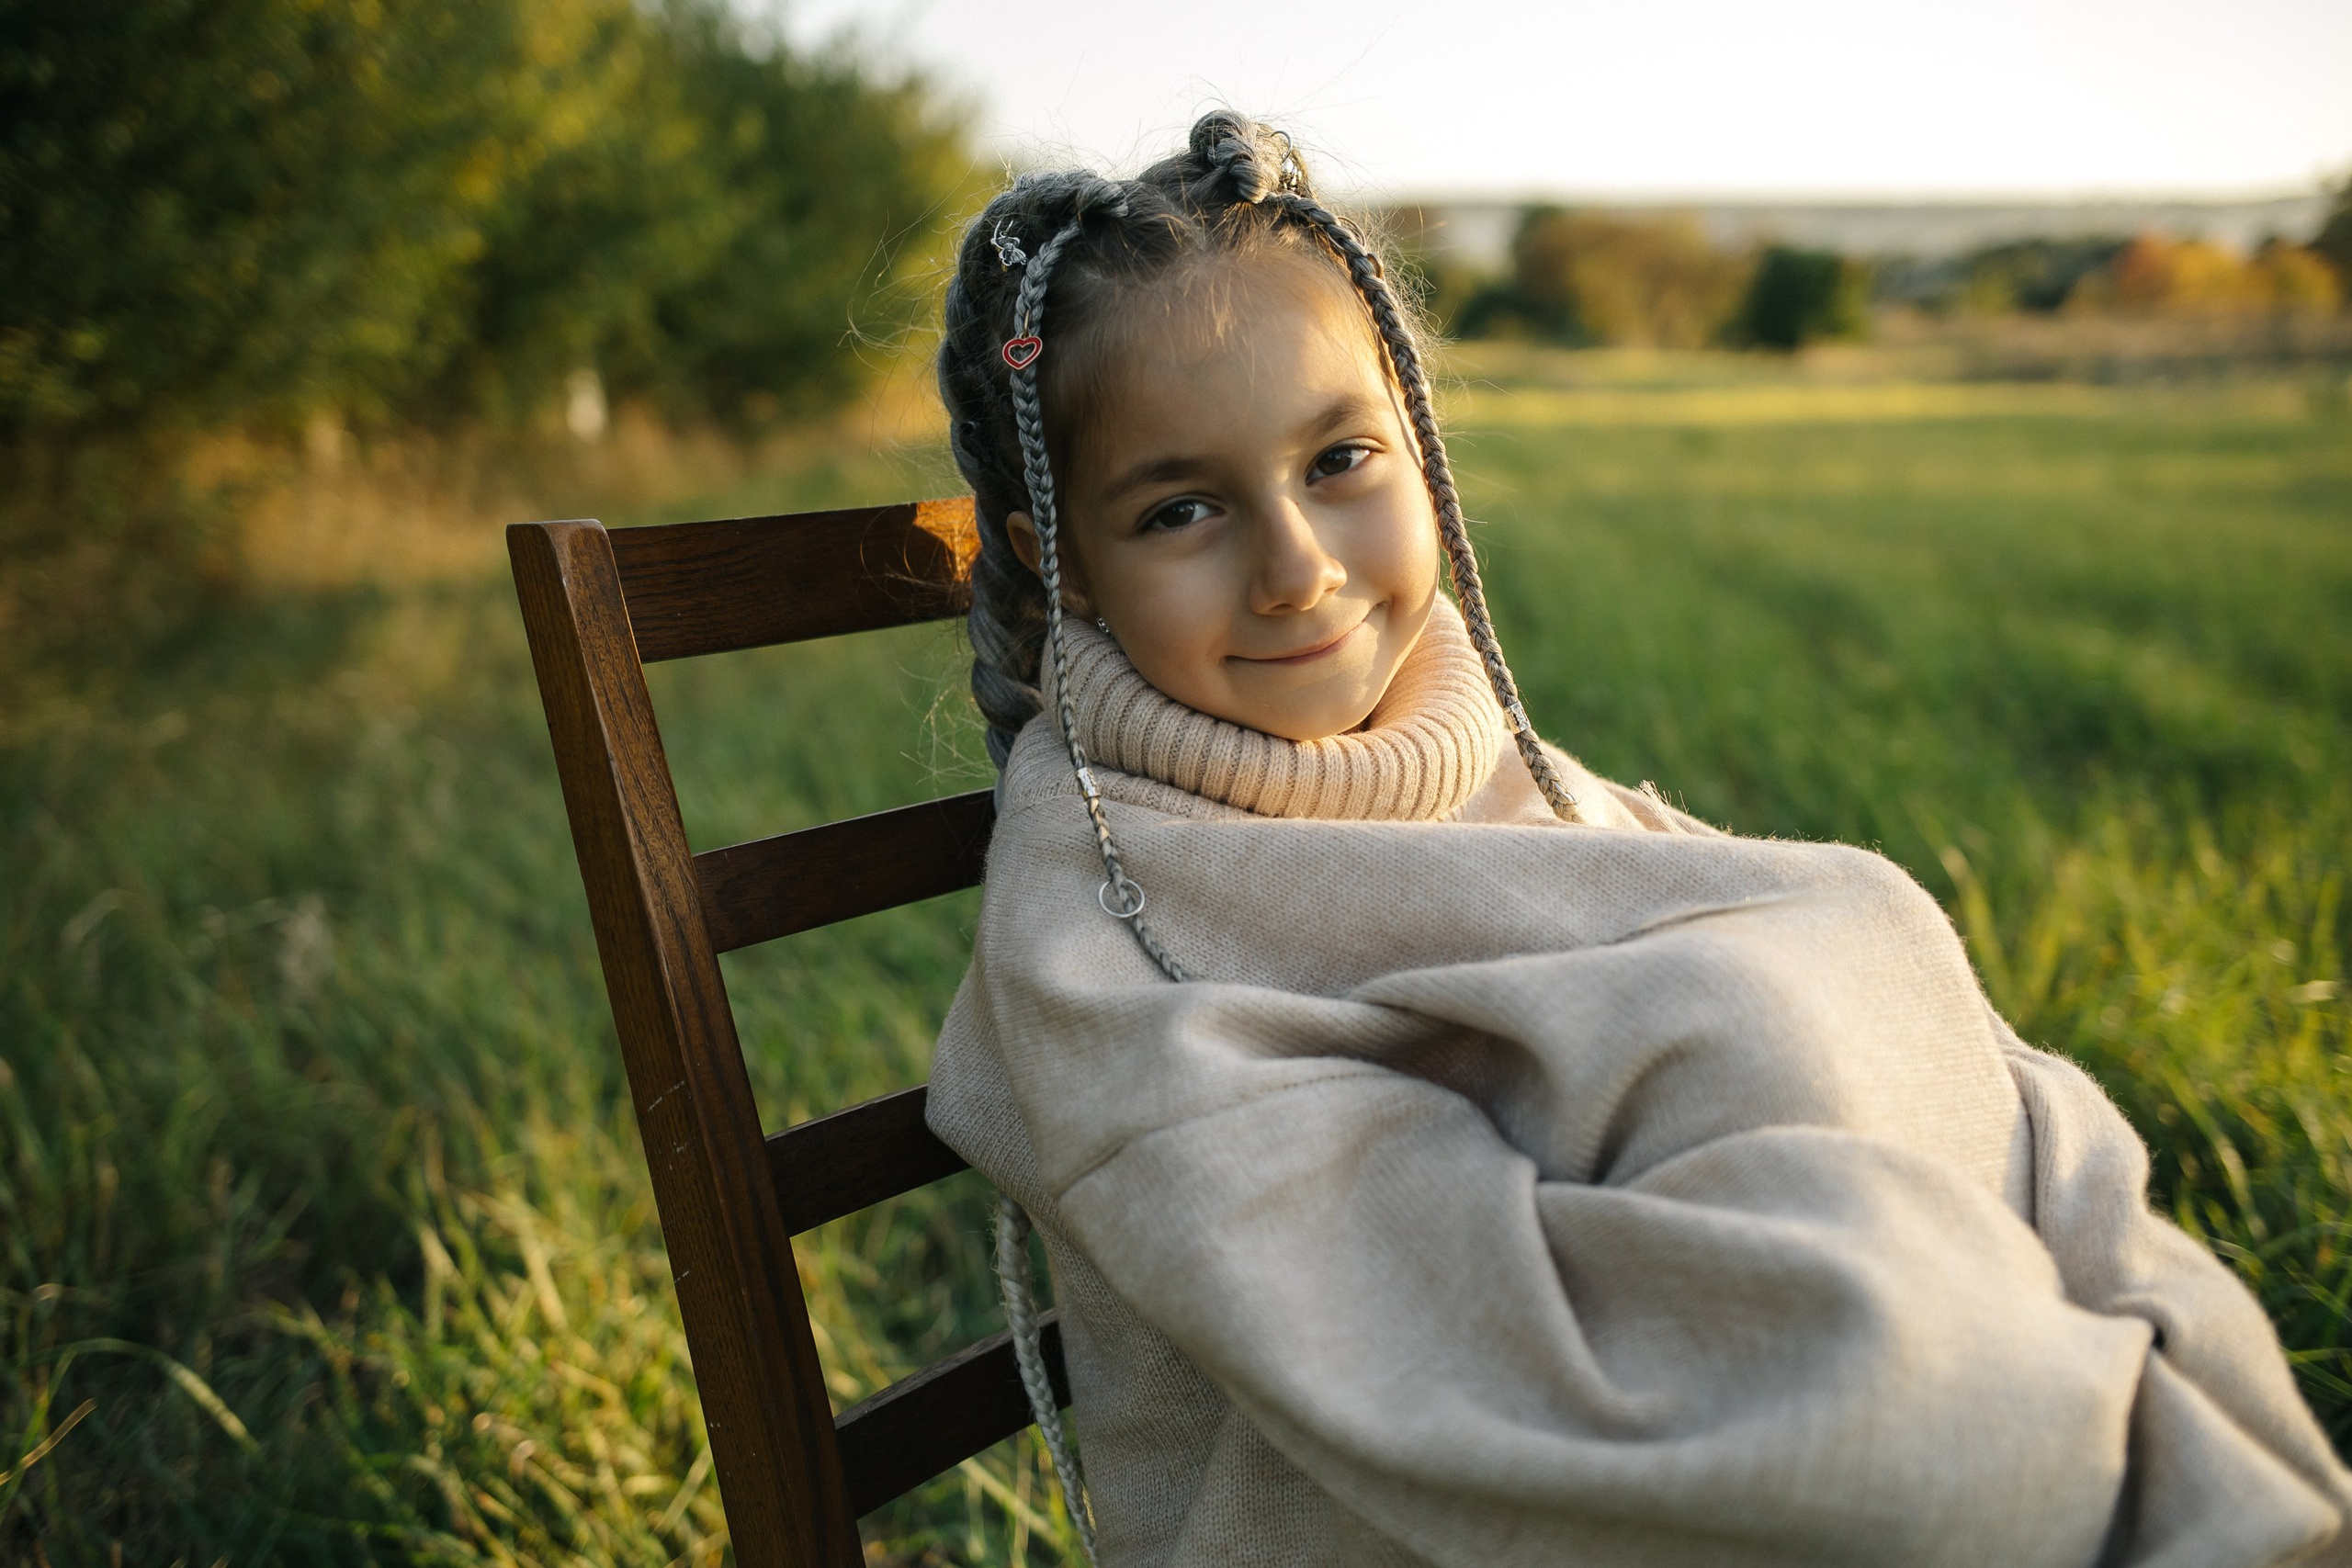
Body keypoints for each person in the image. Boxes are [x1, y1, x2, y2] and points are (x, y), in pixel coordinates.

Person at [924, 111, 2350, 1568]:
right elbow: (1445, 1343)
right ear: (1063, 557)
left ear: (1417, 443)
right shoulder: (1104, 932)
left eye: (1341, 458)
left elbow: (1915, 1039)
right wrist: (2041, 1401)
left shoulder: (1484, 757)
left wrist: (2102, 1318)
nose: (1297, 571)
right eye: (1181, 509)